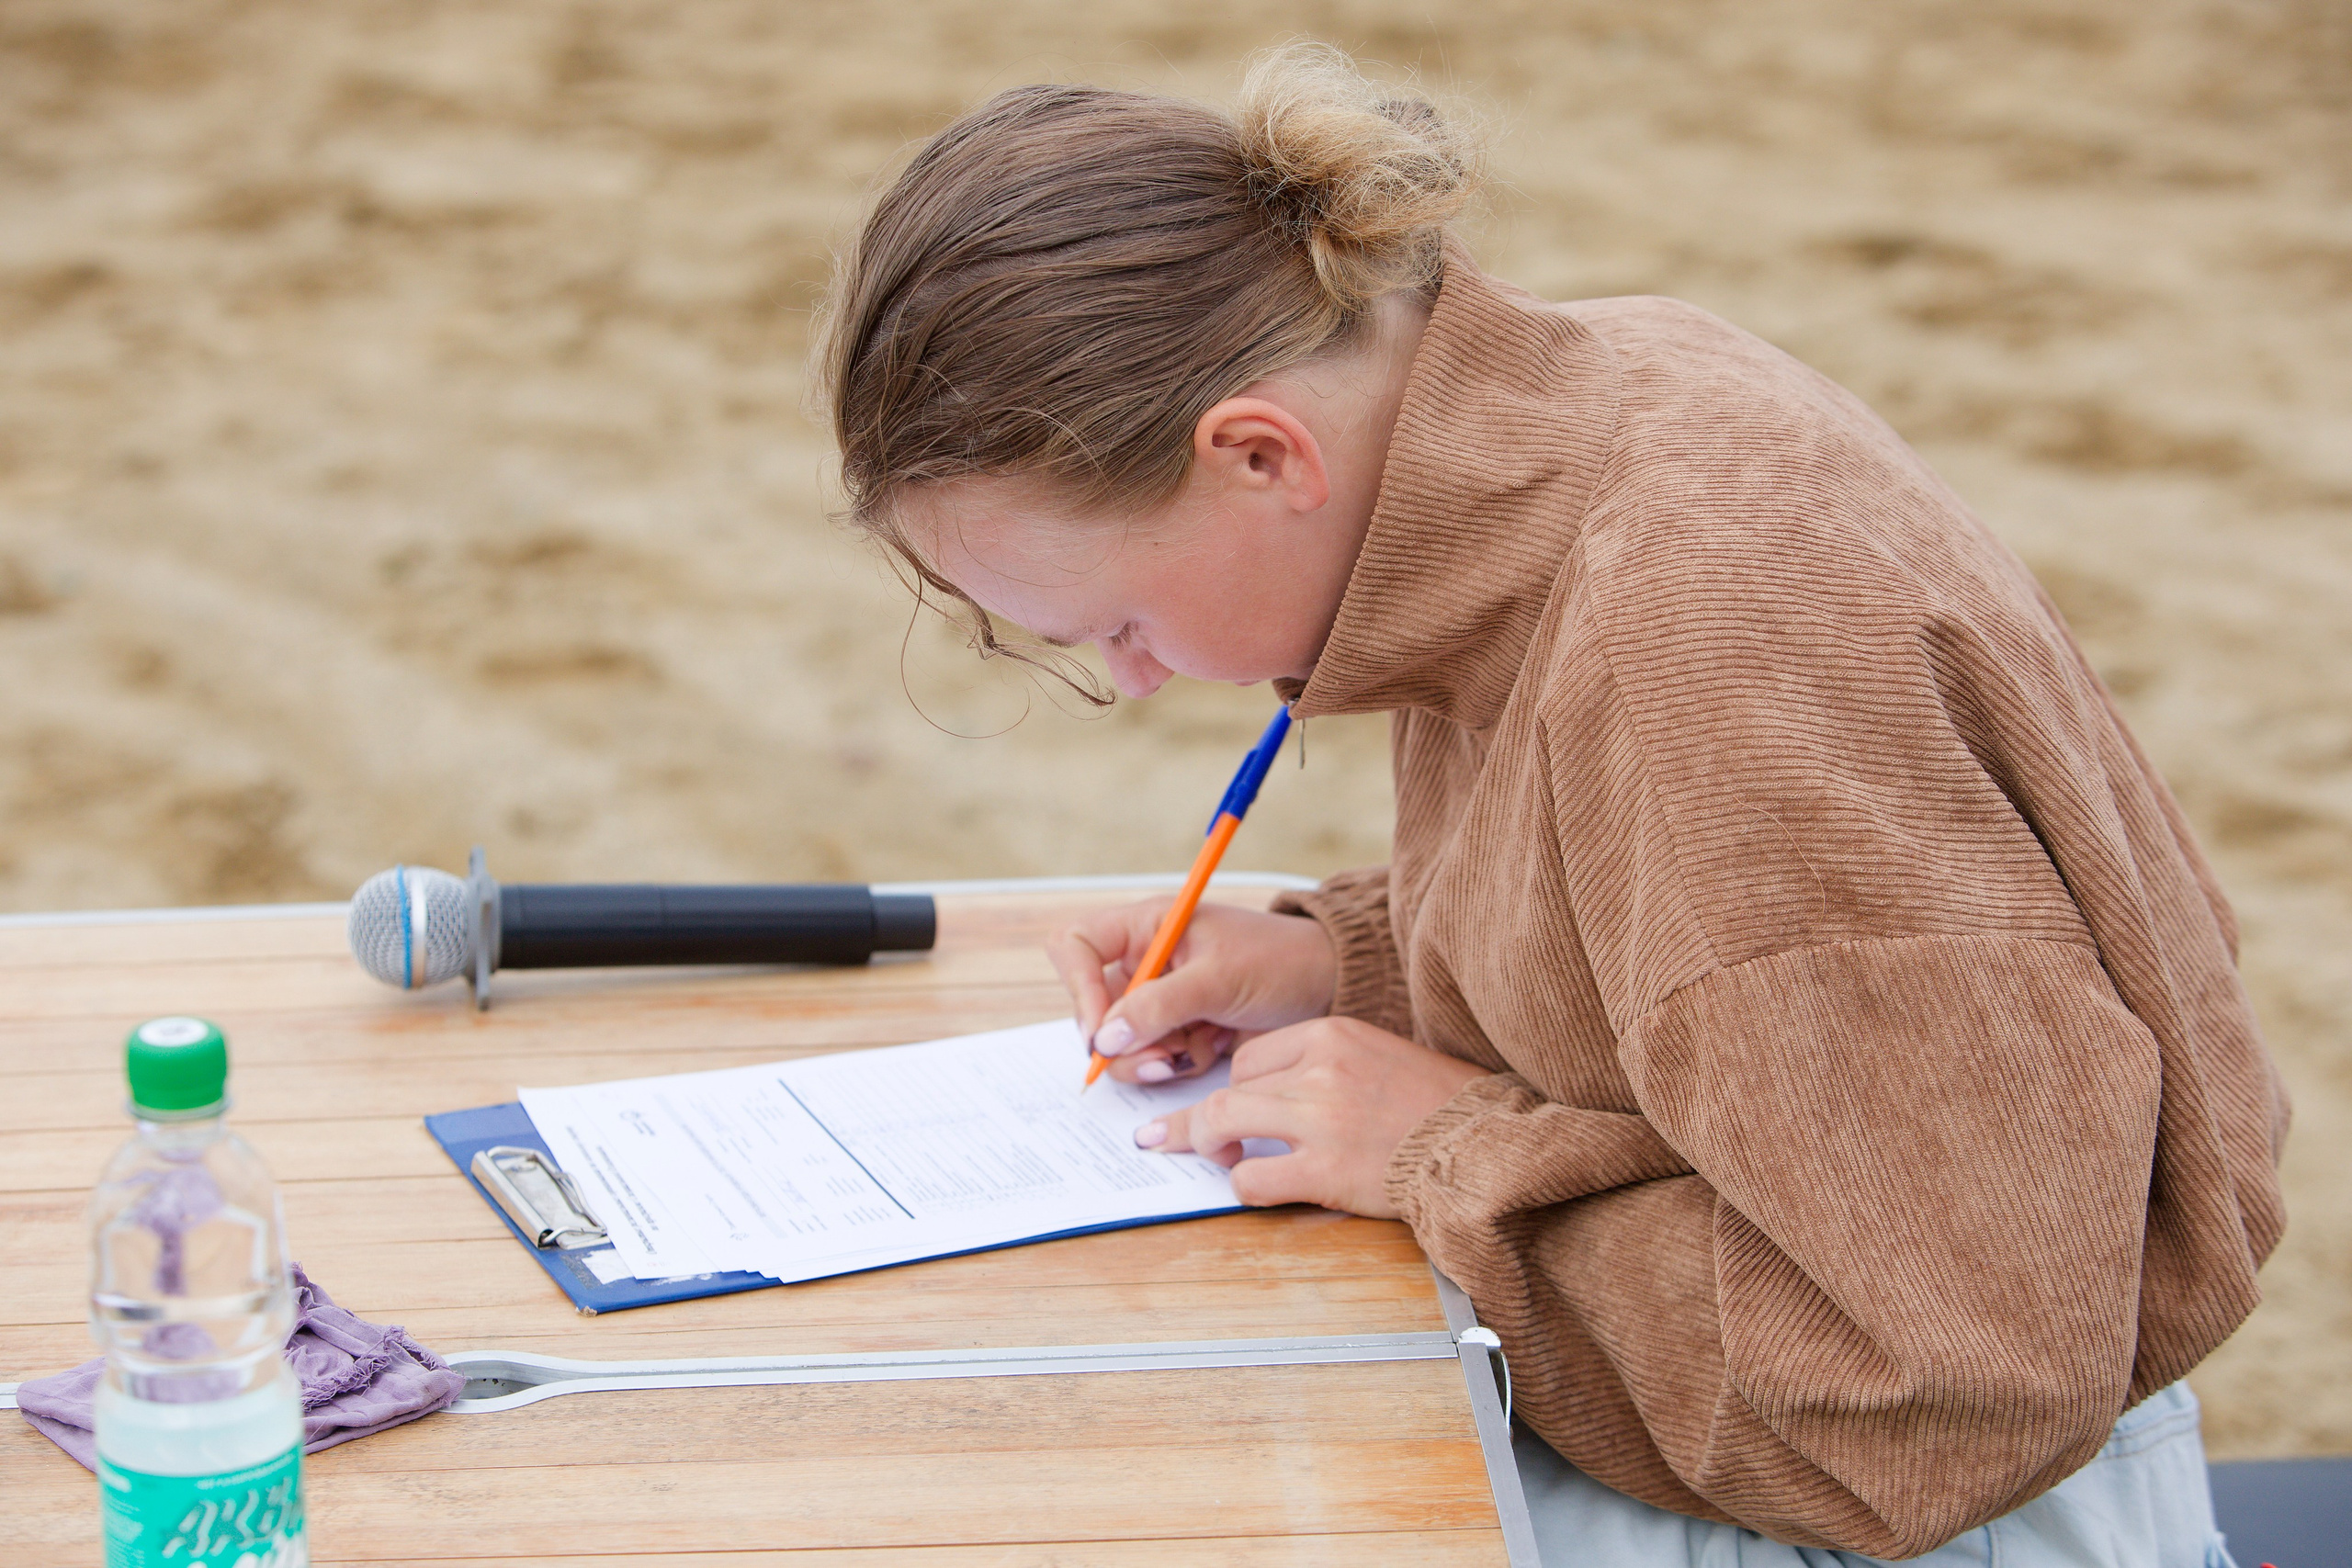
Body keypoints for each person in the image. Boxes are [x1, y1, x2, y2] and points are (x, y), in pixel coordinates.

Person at [815, 44, 2287, 1566]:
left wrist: (1443, 1153)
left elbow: (1940, 1388)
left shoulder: (1704, 643)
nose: (1133, 681)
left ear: (1261, 453)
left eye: (1114, 623)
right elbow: (1692, 947)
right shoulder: (1581, 397)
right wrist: (1353, 961)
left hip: (1913, 1512)